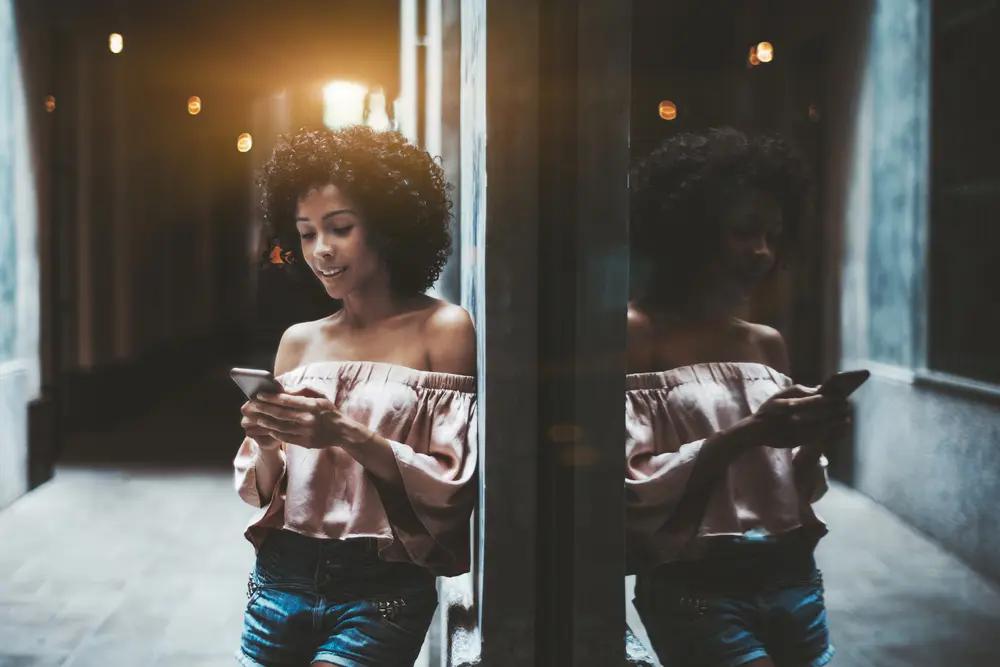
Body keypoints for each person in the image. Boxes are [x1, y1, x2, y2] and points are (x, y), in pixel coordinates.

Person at [234, 125, 477, 667]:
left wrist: (344, 432)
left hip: (382, 591)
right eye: (305, 233)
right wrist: (268, 441)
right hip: (279, 579)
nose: (321, 249)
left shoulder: (444, 328)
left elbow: (452, 484)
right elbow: (267, 490)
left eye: (340, 228)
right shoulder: (298, 341)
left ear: (388, 227)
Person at [625, 128, 849, 667]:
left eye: (774, 236)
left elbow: (790, 487)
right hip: (697, 592)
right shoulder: (636, 332)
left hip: (795, 579)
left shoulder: (765, 342)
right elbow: (632, 483)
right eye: (745, 232)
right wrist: (749, 433)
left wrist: (813, 437)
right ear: (690, 231)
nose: (763, 252)